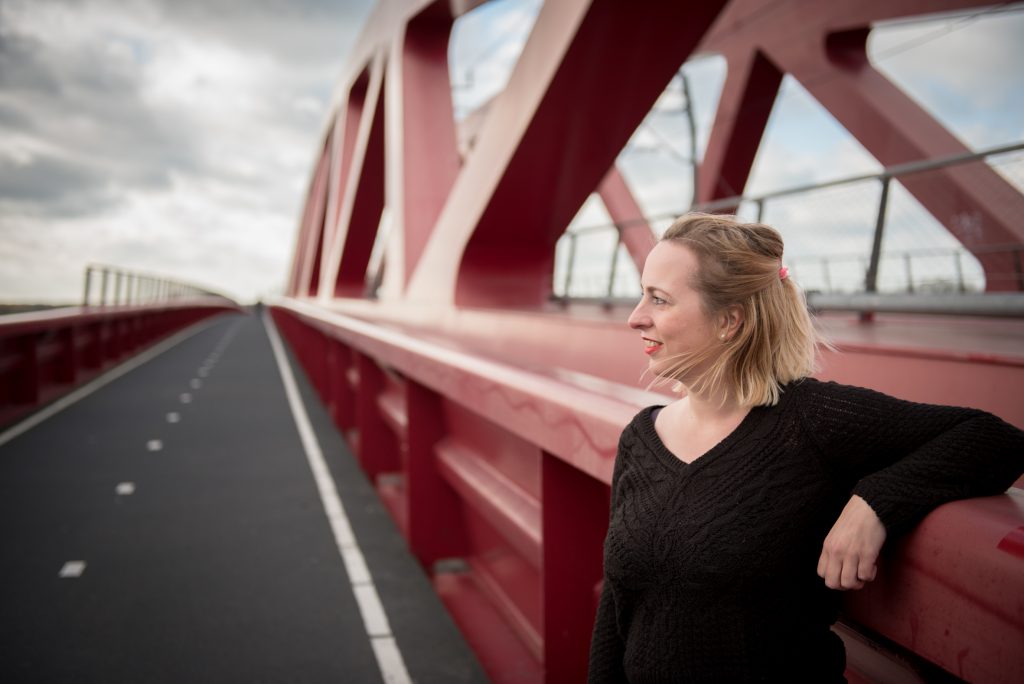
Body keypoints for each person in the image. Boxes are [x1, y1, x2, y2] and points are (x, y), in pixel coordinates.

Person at [586, 213, 1024, 683]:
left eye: (660, 299)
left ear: (729, 320)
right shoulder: (641, 436)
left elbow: (994, 439)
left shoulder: (811, 421)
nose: (635, 316)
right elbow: (618, 602)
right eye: (642, 293)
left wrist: (875, 503)